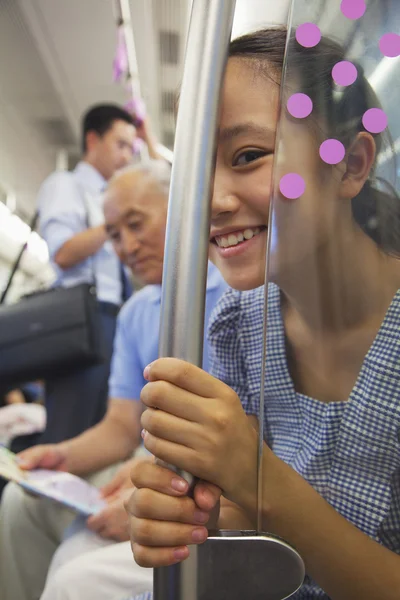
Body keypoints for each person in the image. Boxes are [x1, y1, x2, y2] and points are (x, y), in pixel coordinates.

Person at [126, 27, 400, 600]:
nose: (214, 200)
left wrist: (259, 479)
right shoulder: (238, 325)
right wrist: (188, 518)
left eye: (248, 156)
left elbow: (261, 498)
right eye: (197, 172)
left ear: (350, 164)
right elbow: (240, 520)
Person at [0, 162, 227, 600]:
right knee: (20, 505)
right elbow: (122, 426)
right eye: (114, 234)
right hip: (152, 459)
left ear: (182, 204)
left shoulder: (238, 286)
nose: (126, 245)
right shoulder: (135, 313)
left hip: (201, 475)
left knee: (74, 570)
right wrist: (59, 456)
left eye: (136, 225)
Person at [37, 103, 157, 443]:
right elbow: (63, 253)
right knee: (71, 426)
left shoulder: (110, 196)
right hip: (84, 318)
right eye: (120, 145)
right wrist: (116, 223)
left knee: (105, 425)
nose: (126, 156)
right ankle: (48, 494)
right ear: (93, 140)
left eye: (131, 148)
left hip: (112, 317)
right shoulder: (67, 185)